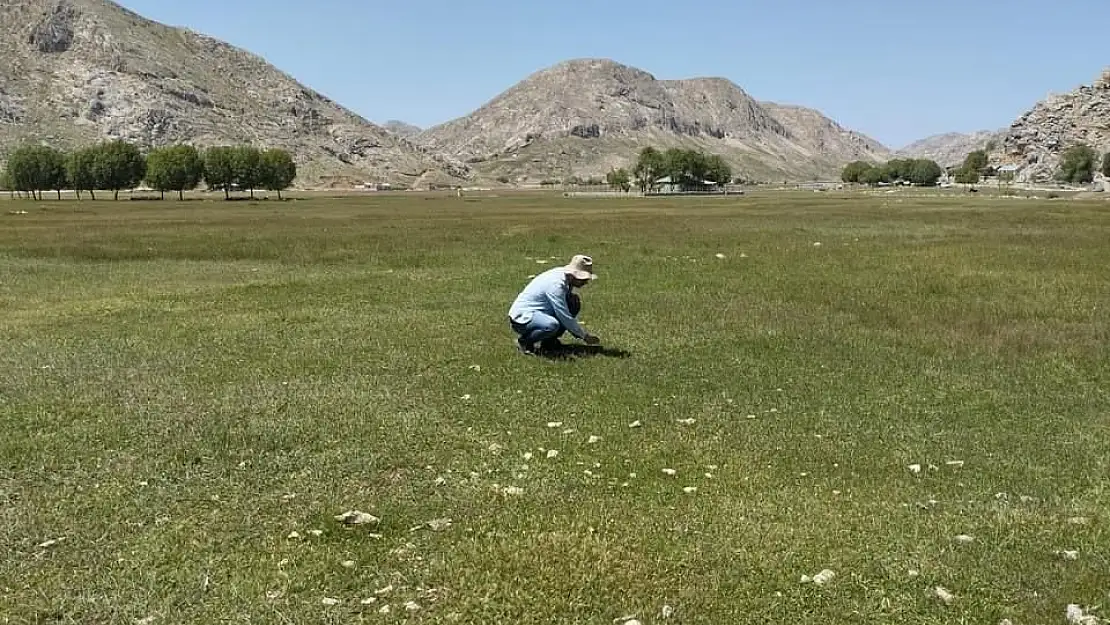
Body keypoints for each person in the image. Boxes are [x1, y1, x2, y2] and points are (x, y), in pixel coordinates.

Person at [508, 254, 601, 355]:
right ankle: (524, 342)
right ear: (575, 275)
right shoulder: (556, 285)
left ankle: (549, 342)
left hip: (540, 312)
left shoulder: (565, 277)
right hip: (523, 319)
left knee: (573, 302)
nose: (586, 282)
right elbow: (563, 314)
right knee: (551, 325)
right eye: (584, 279)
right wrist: (584, 336)